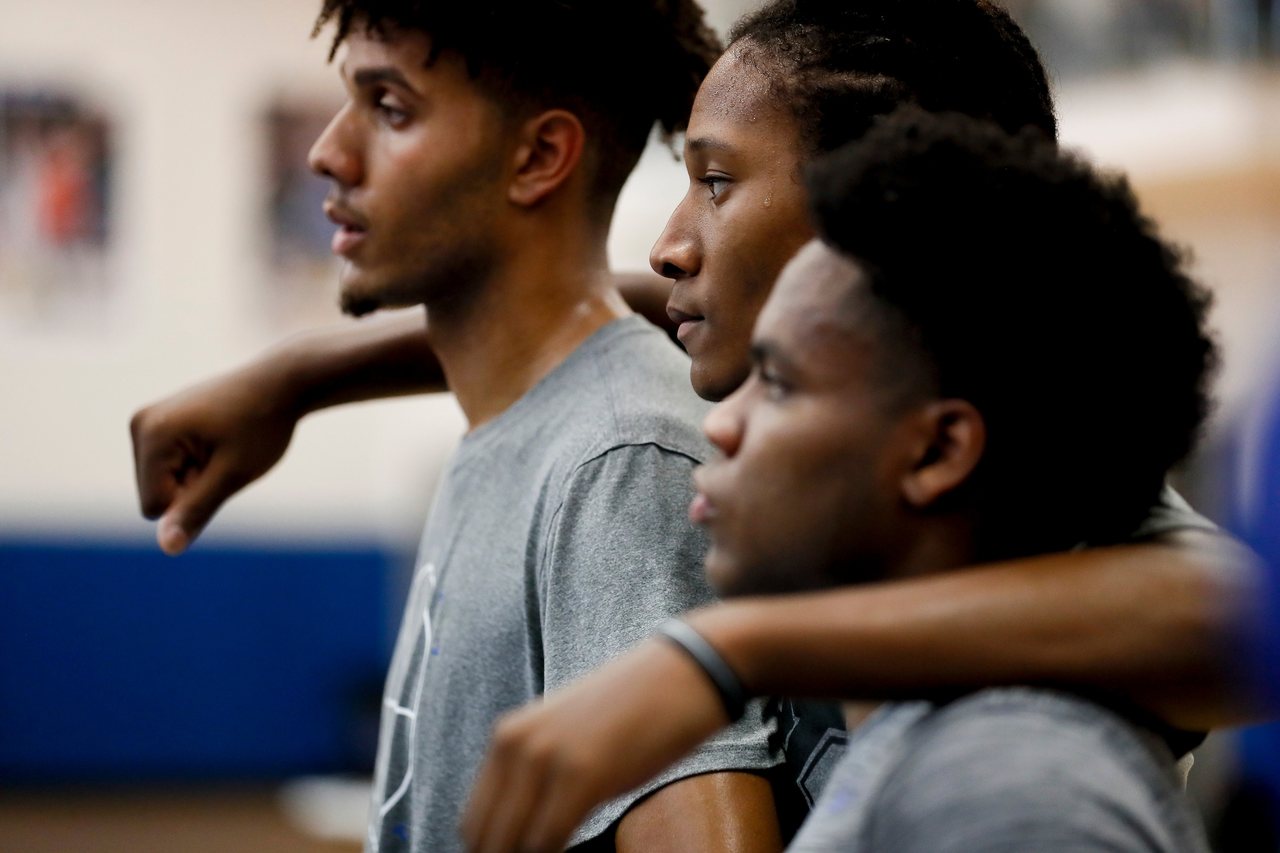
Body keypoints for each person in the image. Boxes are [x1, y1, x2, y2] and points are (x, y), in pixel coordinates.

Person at [131, 0, 1255, 841]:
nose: (670, 241)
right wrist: (302, 374)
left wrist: (716, 651)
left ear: (878, 210)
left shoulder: (1055, 544)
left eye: (714, 182)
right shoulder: (850, 468)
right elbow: (607, 304)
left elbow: (1236, 615)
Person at [463, 108, 1219, 853]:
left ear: (938, 451)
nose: (722, 427)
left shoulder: (1005, 786)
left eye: (780, 382)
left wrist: (724, 650)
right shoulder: (910, 753)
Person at [207, 3, 789, 852]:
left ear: (540, 156)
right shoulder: (529, 420)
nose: (327, 152)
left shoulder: (619, 458)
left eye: (391, 108)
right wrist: (294, 376)